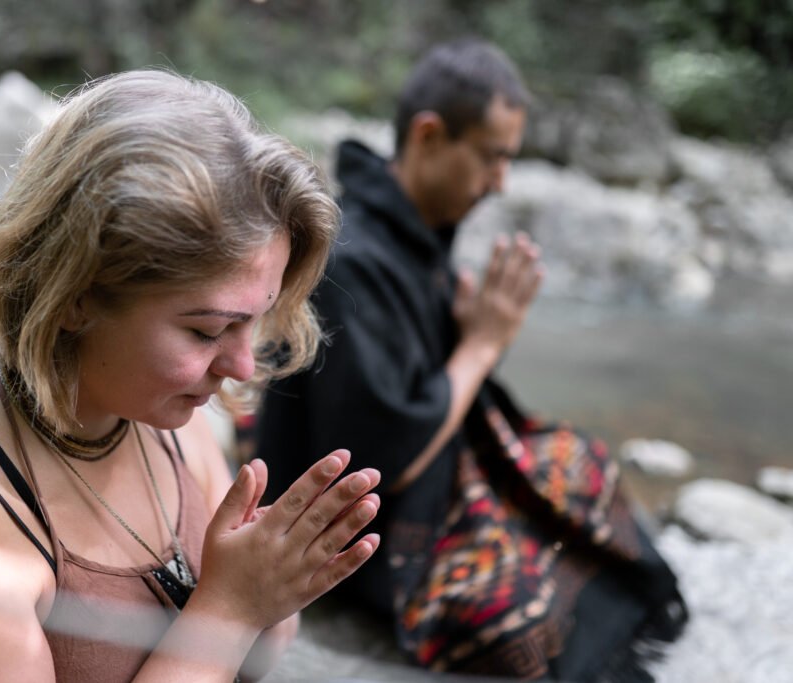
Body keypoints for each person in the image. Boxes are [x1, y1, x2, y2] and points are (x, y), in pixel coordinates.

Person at [0, 69, 383, 683]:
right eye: (207, 331)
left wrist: (275, 581)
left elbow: (255, 656)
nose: (242, 367)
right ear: (75, 294)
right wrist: (229, 611)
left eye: (257, 320)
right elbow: (228, 633)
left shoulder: (170, 418)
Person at [254, 39, 686, 681]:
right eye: (492, 157)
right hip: (363, 532)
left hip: (429, 471)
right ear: (429, 137)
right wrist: (482, 344)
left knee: (584, 467)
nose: (502, 181)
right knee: (517, 614)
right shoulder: (349, 260)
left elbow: (423, 381)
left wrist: (463, 333)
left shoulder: (415, 234)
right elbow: (381, 462)